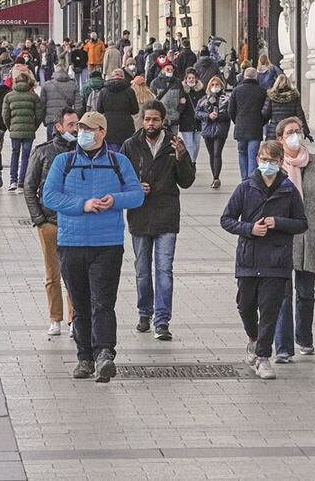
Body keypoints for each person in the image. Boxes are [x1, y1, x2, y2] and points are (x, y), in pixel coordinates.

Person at [42, 111, 145, 382]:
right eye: (80, 129)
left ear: (102, 132)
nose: (83, 133)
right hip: (72, 243)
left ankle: (104, 354)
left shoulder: (118, 162)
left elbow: (136, 195)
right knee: (80, 304)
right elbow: (50, 196)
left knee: (103, 302)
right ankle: (84, 357)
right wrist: (82, 205)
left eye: (89, 129)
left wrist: (116, 200)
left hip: (107, 243)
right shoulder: (64, 161)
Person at [220, 140, 308, 380]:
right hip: (249, 258)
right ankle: (253, 338)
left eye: (272, 161)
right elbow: (226, 219)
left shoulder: (288, 190)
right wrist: (249, 229)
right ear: (258, 160)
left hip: (276, 261)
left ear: (280, 163)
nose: (267, 164)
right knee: (245, 305)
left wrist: (278, 223)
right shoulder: (246, 187)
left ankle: (263, 357)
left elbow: (301, 223)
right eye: (264, 160)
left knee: (269, 311)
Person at [121, 102, 196, 341]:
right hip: (140, 214)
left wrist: (183, 157)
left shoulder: (175, 145)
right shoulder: (130, 145)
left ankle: (162, 320)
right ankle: (145, 312)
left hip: (166, 214)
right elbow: (120, 177)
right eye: (147, 119)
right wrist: (134, 187)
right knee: (142, 270)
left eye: (155, 119)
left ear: (163, 121)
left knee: (164, 269)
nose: (151, 124)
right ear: (142, 120)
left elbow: (186, 181)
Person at [273, 117, 315, 361]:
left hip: (311, 237)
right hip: (282, 238)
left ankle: (305, 338)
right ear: (280, 138)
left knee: (306, 291)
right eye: (290, 132)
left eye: (298, 131)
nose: (295, 136)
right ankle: (283, 347)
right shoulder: (276, 166)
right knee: (283, 293)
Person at [24, 107, 77, 338]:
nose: (76, 129)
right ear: (59, 127)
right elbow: (29, 186)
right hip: (50, 221)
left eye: (77, 124)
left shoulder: (82, 152)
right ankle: (55, 318)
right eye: (71, 125)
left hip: (74, 221)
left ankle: (74, 318)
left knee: (74, 274)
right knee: (52, 273)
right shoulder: (43, 152)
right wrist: (39, 220)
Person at [2, 70, 40, 191]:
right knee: (26, 156)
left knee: (14, 153)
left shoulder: (9, 96)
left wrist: (10, 127)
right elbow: (39, 114)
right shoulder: (33, 96)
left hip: (15, 130)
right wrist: (34, 126)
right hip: (29, 130)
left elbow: (5, 115)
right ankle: (21, 182)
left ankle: (12, 180)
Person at [227, 66, 267, 180]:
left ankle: (244, 180)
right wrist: (261, 122)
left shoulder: (236, 90)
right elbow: (266, 111)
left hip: (241, 127)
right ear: (256, 76)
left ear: (244, 76)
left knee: (242, 153)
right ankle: (252, 180)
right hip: (255, 127)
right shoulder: (262, 91)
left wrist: (237, 121)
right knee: (253, 155)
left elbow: (231, 110)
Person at [197, 75, 231, 189]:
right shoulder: (204, 100)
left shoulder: (225, 99)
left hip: (220, 129)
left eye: (217, 85)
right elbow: (197, 113)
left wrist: (218, 117)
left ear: (221, 86)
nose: (215, 87)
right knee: (211, 154)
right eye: (213, 85)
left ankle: (216, 177)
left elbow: (230, 114)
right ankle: (214, 176)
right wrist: (208, 115)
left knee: (217, 153)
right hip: (208, 129)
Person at [94, 68, 139, 151]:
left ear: (111, 77)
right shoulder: (129, 91)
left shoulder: (104, 91)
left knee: (111, 155)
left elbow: (99, 109)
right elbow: (135, 110)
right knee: (126, 153)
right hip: (126, 126)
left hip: (109, 126)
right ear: (123, 77)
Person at [39, 66, 82, 142]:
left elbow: (42, 105)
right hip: (67, 121)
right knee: (69, 145)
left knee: (51, 146)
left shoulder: (46, 85)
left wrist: (44, 119)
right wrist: (75, 120)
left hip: (51, 120)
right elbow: (78, 106)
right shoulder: (73, 85)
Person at [261, 75, 310, 142]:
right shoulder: (294, 96)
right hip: (289, 130)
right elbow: (300, 114)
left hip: (274, 130)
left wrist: (259, 125)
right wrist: (305, 130)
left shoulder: (271, 96)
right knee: (288, 150)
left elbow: (265, 113)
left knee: (274, 150)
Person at [149, 58, 186, 135]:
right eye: (167, 69)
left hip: (174, 116)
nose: (170, 71)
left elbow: (182, 98)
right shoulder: (155, 82)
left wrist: (179, 111)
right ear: (163, 70)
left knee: (174, 139)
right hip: (161, 117)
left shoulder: (177, 82)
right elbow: (152, 100)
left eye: (171, 70)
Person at [177, 68, 206, 162]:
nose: (191, 80)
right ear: (185, 79)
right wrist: (181, 103)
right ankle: (190, 164)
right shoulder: (182, 90)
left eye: (193, 78)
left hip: (198, 120)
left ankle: (193, 161)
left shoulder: (201, 90)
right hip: (186, 120)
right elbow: (178, 107)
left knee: (196, 144)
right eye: (189, 78)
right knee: (189, 144)